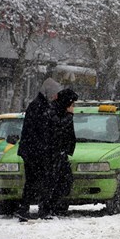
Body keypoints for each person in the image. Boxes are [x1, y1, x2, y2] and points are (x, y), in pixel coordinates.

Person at [16, 77, 63, 221]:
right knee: (41, 181)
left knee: (33, 181)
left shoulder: (40, 105)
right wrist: (45, 149)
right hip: (35, 152)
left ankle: (26, 209)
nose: (56, 97)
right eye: (55, 94)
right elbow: (41, 132)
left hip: (33, 151)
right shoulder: (39, 107)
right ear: (49, 92)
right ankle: (39, 210)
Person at [46, 88, 78, 216]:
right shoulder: (53, 111)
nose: (73, 107)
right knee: (53, 181)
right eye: (72, 103)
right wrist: (69, 115)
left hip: (61, 152)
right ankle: (50, 208)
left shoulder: (62, 111)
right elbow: (57, 128)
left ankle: (56, 206)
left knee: (65, 180)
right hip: (53, 152)